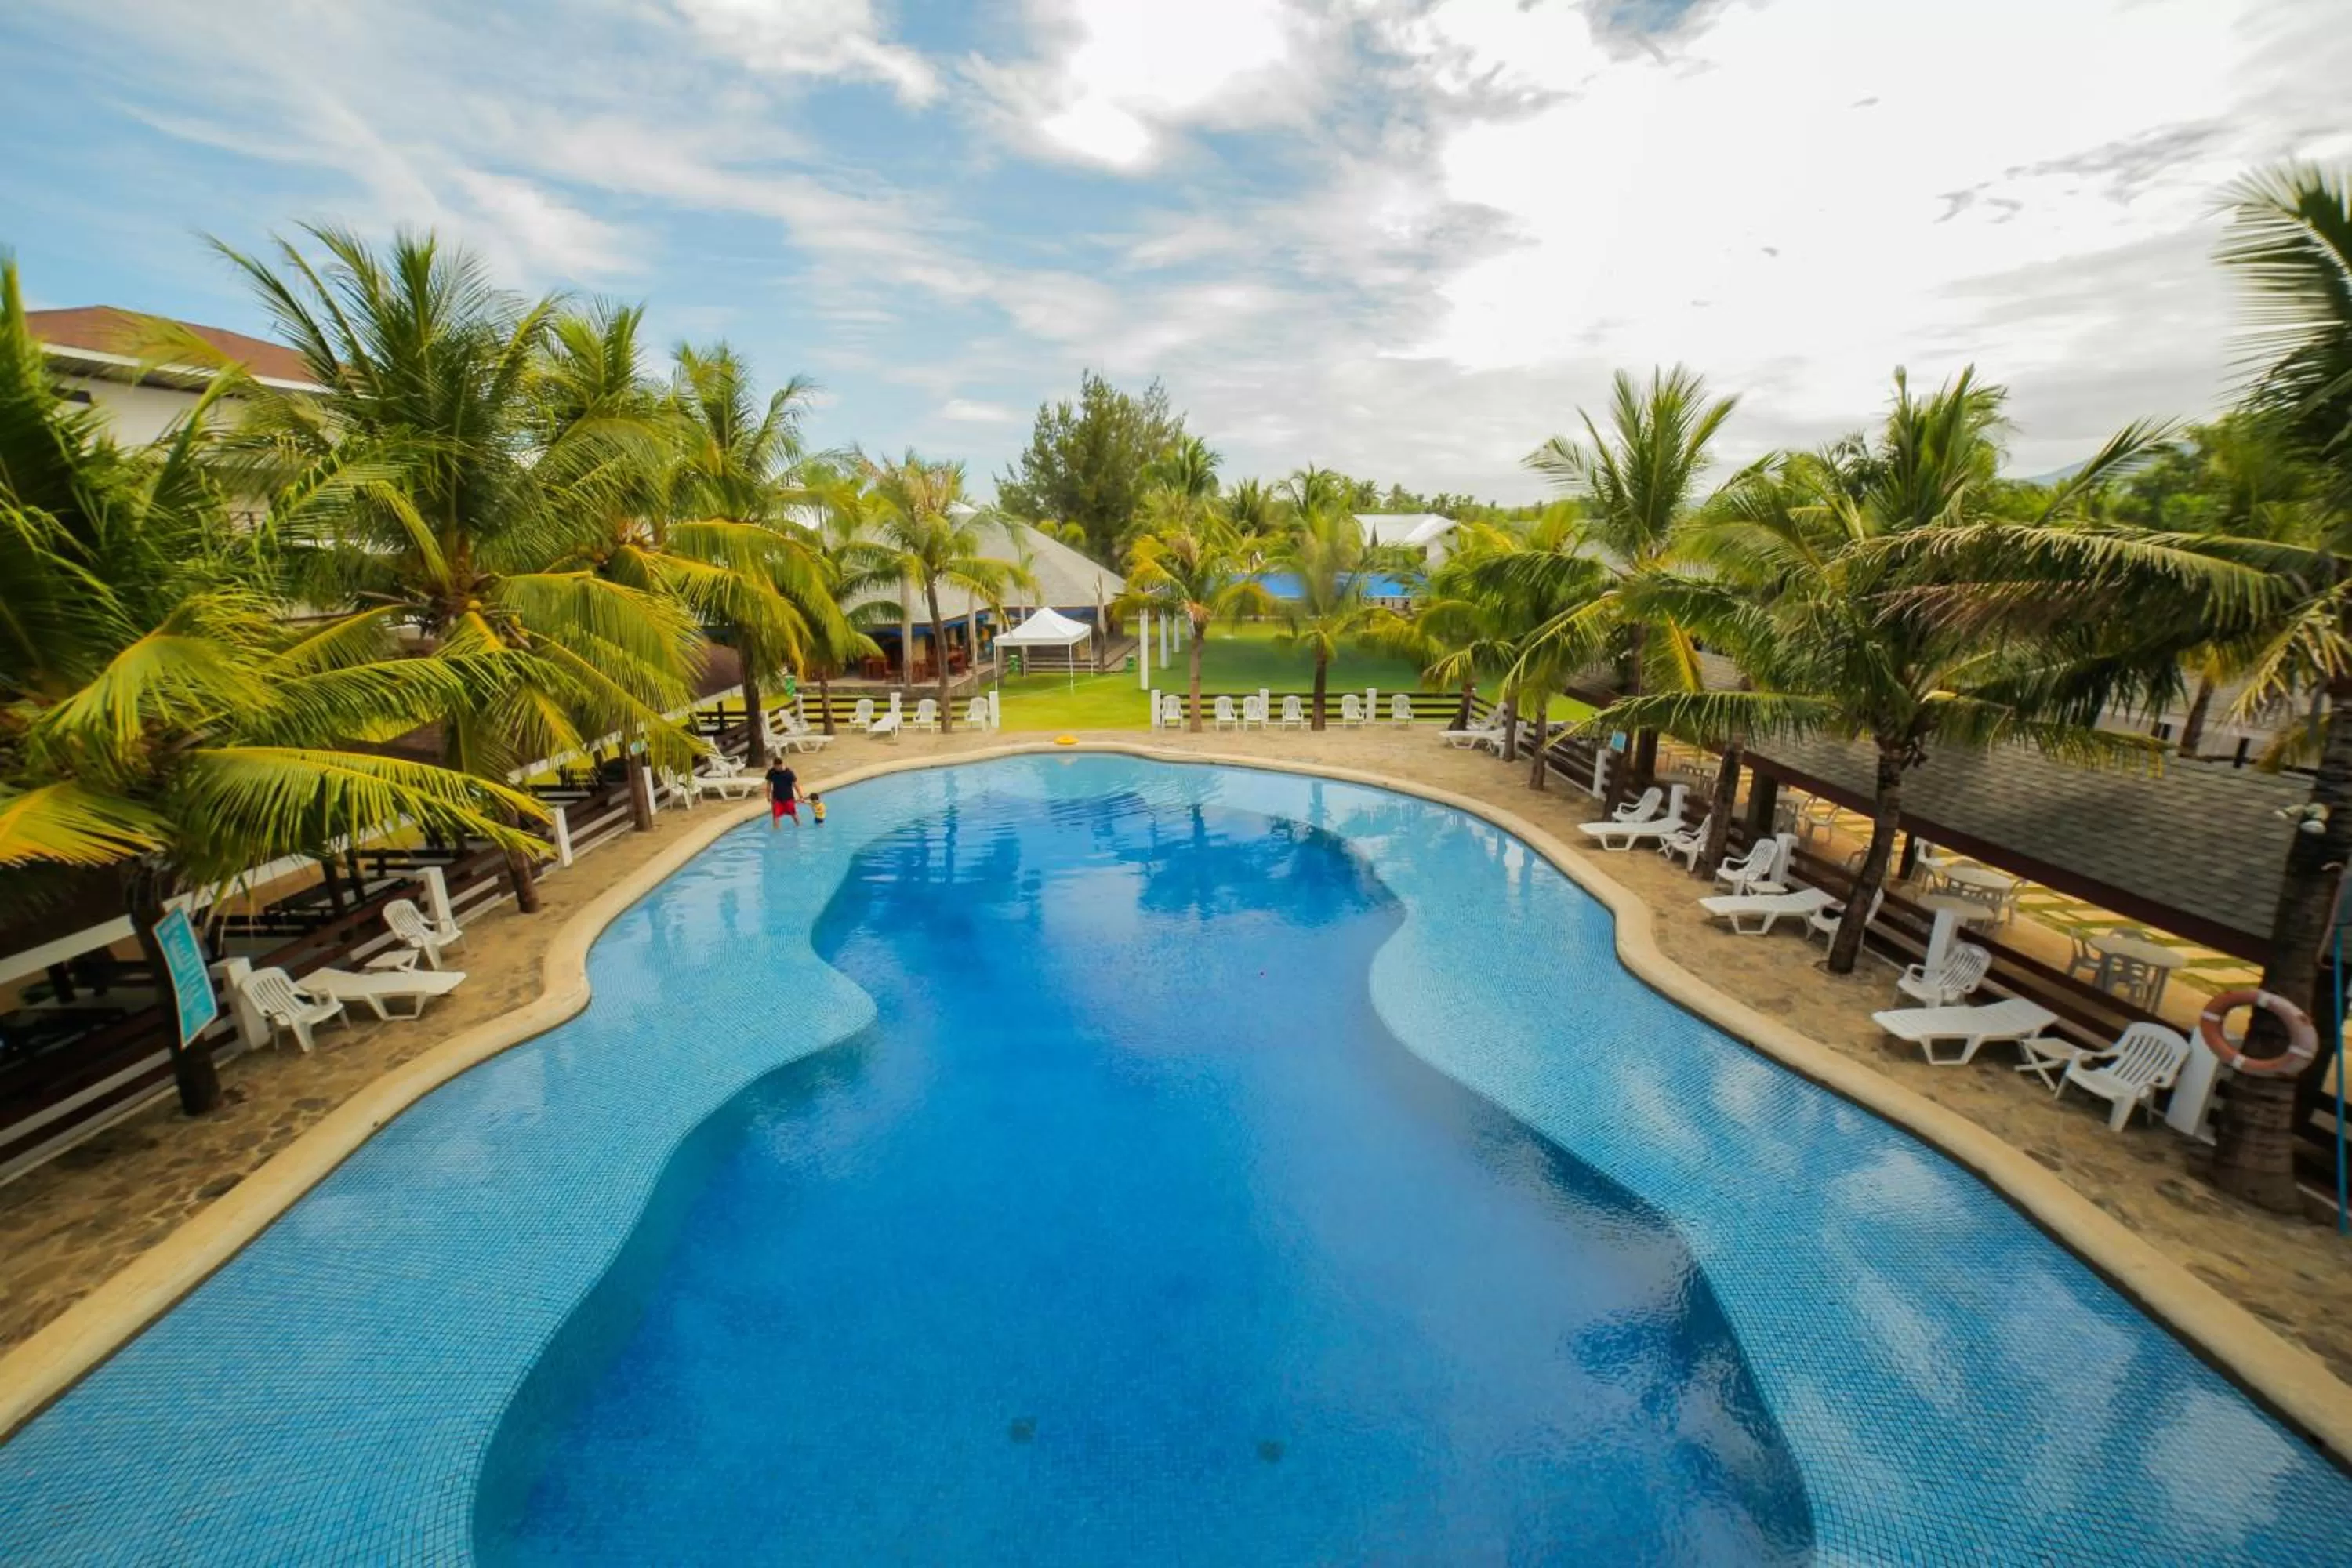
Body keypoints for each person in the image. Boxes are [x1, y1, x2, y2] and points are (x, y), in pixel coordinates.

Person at [764, 756, 799, 827]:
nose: (776, 768)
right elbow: (769, 785)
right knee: (775, 816)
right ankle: (776, 833)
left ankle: (799, 826)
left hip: (788, 797)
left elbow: (795, 785)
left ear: (781, 765)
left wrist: (801, 795)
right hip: (776, 798)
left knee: (793, 814)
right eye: (775, 767)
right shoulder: (771, 772)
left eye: (778, 767)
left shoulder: (789, 773)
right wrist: (768, 796)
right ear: (774, 765)